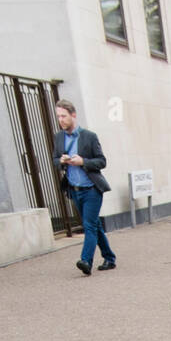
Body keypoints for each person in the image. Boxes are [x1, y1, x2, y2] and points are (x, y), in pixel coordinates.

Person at [52, 100, 116, 275]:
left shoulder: (89, 136)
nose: (60, 120)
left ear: (73, 115)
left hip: (91, 189)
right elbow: (55, 160)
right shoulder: (59, 137)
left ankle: (86, 260)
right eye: (58, 116)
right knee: (94, 225)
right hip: (74, 190)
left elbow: (102, 161)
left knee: (88, 225)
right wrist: (62, 161)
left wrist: (83, 162)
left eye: (63, 116)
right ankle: (109, 258)